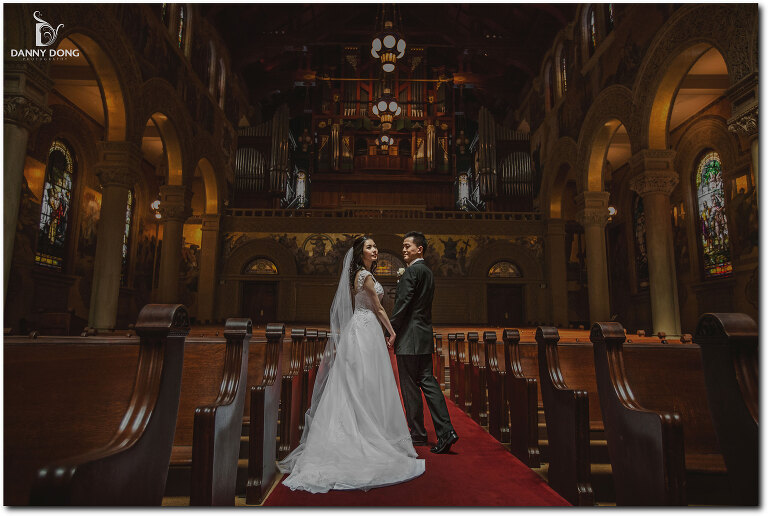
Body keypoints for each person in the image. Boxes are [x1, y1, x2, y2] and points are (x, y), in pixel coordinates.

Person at [278, 236, 425, 493]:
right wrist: (392, 332)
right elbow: (378, 308)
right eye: (369, 247)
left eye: (375, 245)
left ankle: (364, 428)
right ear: (360, 253)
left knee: (359, 382)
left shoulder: (360, 274)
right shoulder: (364, 276)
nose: (375, 249)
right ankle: (364, 434)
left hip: (362, 328)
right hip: (366, 329)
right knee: (363, 382)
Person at [388, 231, 459, 454]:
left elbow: (402, 304)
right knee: (428, 382)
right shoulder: (427, 272)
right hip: (423, 334)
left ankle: (418, 433)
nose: (403, 249)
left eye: (407, 246)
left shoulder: (412, 272)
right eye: (403, 246)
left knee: (410, 387)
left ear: (419, 249)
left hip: (409, 337)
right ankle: (446, 431)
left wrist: (390, 329)